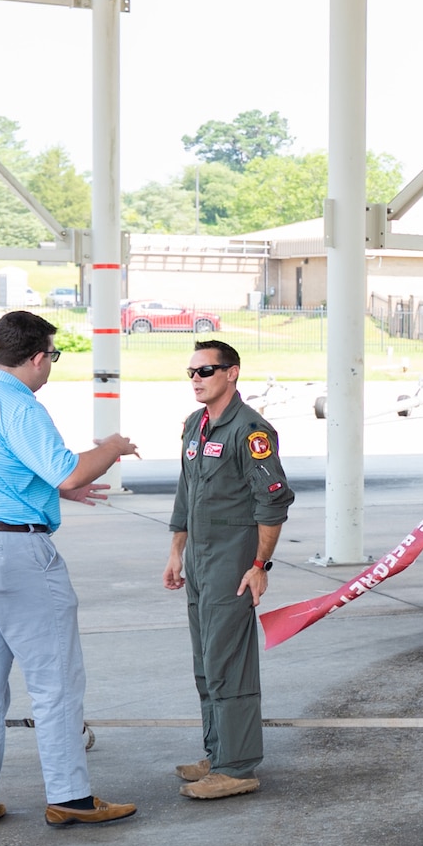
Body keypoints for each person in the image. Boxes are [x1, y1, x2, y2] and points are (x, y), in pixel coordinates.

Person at [0, 310, 140, 831]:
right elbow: (69, 467)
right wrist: (110, 449)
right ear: (39, 356)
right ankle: (70, 796)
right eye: (54, 356)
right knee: (55, 679)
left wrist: (57, 489)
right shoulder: (19, 404)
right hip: (9, 553)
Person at [163, 339, 295, 799]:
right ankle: (218, 752)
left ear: (232, 373)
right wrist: (176, 551)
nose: (196, 380)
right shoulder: (195, 426)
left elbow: (273, 500)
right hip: (199, 558)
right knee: (205, 663)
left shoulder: (251, 431)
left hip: (231, 561)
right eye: (192, 372)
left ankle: (238, 767)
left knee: (228, 661)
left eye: (206, 371)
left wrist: (260, 565)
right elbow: (186, 492)